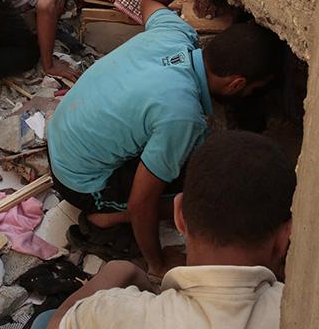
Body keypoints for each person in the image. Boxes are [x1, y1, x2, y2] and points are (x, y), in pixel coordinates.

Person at [47, 0, 285, 278]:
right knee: (205, 192)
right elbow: (143, 200)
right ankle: (105, 216)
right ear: (237, 84)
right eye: (252, 90)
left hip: (61, 140)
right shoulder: (181, 115)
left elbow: (152, 0)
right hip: (80, 182)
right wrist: (157, 264)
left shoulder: (176, 36)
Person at [42, 130, 296, 329]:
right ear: (286, 237)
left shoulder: (113, 312)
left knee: (45, 318)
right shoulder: (303, 310)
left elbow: (57, 325)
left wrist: (122, 269)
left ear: (179, 215)